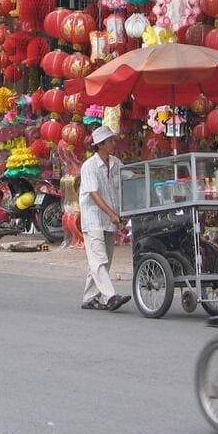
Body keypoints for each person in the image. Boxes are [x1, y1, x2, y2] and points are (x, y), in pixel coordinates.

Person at [78, 126, 131, 312]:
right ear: (100, 145)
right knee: (99, 258)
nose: (113, 144)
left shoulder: (116, 163)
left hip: (111, 219)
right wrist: (111, 214)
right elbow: (94, 194)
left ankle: (89, 298)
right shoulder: (89, 166)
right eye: (110, 141)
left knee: (104, 259)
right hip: (94, 218)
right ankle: (110, 296)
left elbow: (127, 182)